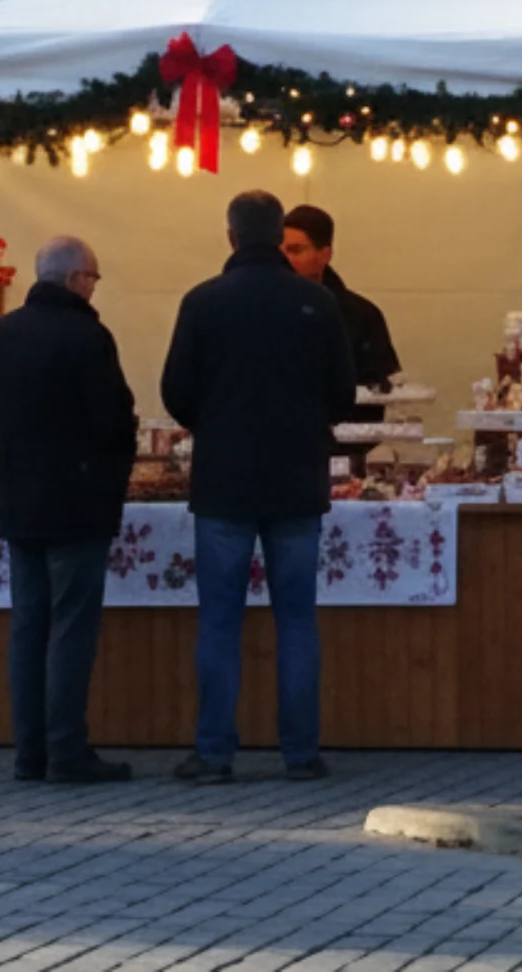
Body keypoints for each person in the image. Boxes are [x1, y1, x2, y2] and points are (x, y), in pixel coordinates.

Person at [161, 192, 355, 784]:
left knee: (220, 619)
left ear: (230, 237)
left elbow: (176, 391)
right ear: (278, 238)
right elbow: (343, 394)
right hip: (297, 478)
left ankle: (215, 752)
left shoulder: (203, 302)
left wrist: (214, 424)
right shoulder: (317, 303)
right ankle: (300, 753)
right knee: (296, 618)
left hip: (224, 480)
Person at [0, 235, 138, 784]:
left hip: (20, 498)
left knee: (28, 626)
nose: (95, 287)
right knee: (71, 626)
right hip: (77, 500)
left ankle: (30, 751)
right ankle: (67, 748)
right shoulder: (88, 337)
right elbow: (114, 421)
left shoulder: (2, 335)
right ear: (75, 279)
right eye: (94, 278)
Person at [280, 205, 400, 392]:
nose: (285, 260)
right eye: (280, 251)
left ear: (324, 255)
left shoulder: (362, 315)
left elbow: (378, 391)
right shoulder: (265, 308)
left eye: (296, 250)